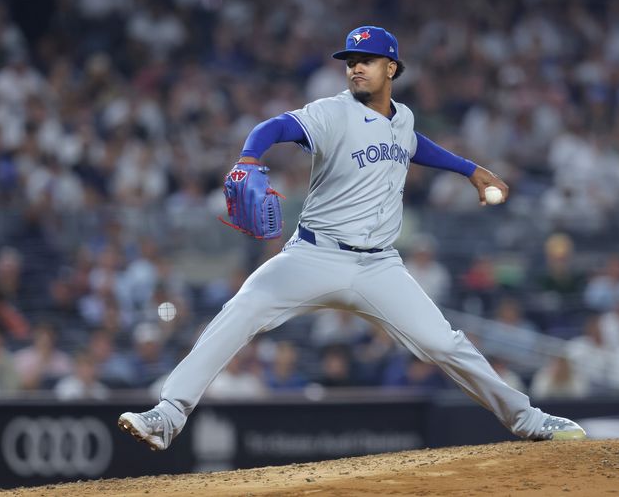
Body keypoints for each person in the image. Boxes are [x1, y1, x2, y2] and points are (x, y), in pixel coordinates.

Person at [118, 25, 586, 451]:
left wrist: (468, 169)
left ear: (391, 68)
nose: (356, 67)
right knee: (241, 311)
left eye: (366, 59)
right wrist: (248, 158)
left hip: (380, 267)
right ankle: (169, 415)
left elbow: (412, 142)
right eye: (350, 61)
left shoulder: (402, 119)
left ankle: (528, 419)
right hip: (313, 256)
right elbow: (274, 127)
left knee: (444, 344)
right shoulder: (331, 113)